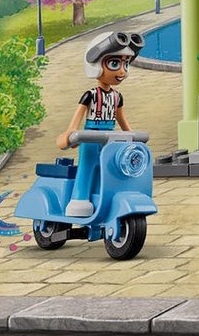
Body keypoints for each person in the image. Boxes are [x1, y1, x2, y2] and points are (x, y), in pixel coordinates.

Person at [57, 29, 142, 219]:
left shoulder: (117, 96)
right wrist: (71, 132)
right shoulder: (91, 95)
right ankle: (78, 200)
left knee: (110, 169)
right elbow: (78, 116)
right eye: (115, 64)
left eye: (126, 64)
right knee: (87, 167)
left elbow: (121, 119)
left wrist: (132, 136)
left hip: (111, 137)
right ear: (95, 65)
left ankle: (104, 199)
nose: (122, 71)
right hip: (91, 135)